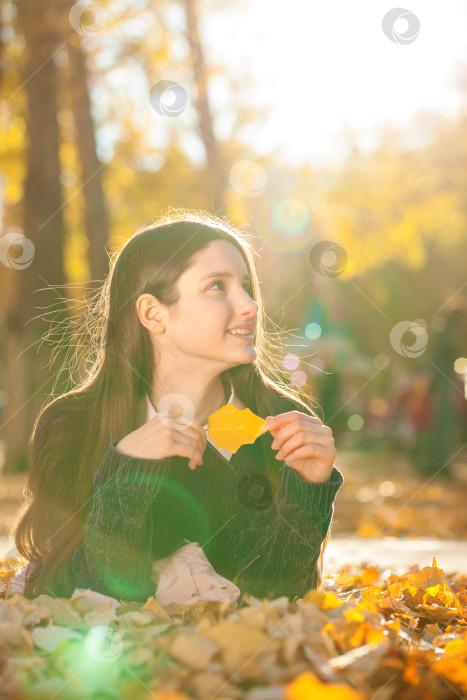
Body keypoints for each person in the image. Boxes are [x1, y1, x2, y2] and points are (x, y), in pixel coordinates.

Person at [12, 210, 344, 603]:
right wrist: (129, 465)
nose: (250, 306)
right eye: (218, 286)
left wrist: (308, 490)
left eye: (246, 286)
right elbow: (81, 592)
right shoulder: (72, 426)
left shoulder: (282, 424)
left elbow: (282, 596)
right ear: (153, 314)